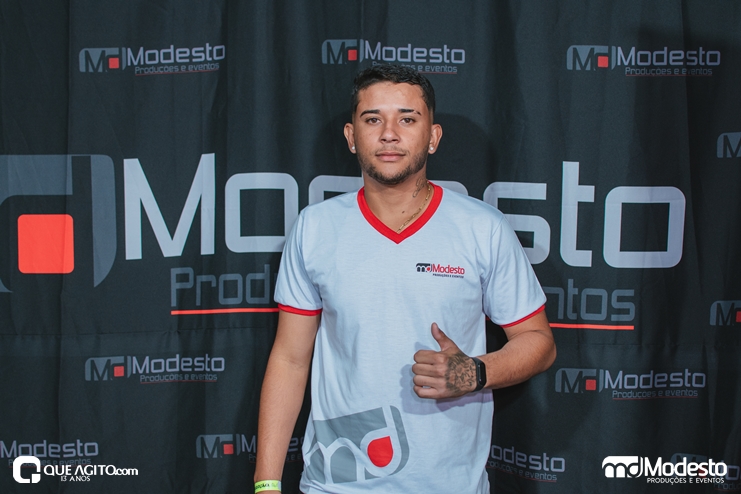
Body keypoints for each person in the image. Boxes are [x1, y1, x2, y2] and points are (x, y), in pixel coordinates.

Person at [255, 64, 556, 494]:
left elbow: (538, 341)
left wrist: (475, 371)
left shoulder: (482, 228)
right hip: (336, 484)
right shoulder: (315, 227)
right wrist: (266, 484)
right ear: (351, 136)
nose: (389, 134)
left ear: (432, 137)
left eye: (408, 119)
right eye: (372, 119)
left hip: (448, 486)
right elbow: (290, 359)